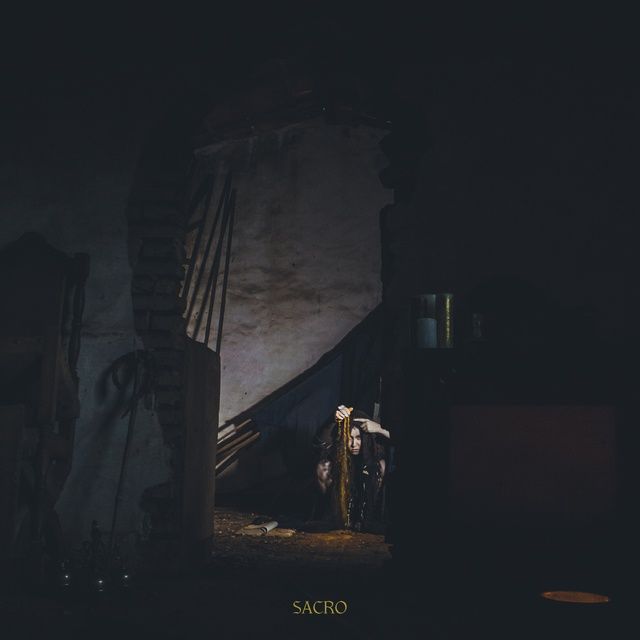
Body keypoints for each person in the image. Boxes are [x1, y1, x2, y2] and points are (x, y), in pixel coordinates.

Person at [308, 405, 392, 532]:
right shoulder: (337, 455)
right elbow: (319, 443)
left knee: (382, 466)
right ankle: (336, 517)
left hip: (368, 514)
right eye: (349, 438)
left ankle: (366, 520)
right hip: (339, 511)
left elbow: (403, 441)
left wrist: (379, 429)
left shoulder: (374, 454)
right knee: (323, 467)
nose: (353, 444)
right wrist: (333, 421)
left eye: (358, 438)